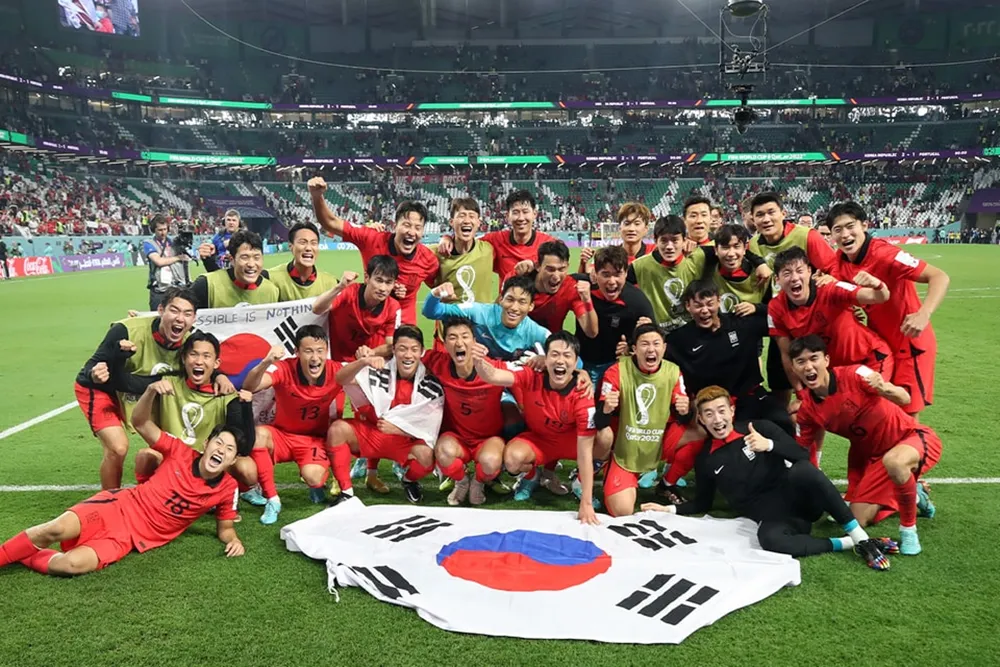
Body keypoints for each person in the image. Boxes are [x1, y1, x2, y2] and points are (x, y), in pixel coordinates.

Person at [0, 385, 247, 577]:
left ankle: (21, 554)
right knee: (54, 529)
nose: (221, 450)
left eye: (229, 450)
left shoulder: (227, 488)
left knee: (70, 565)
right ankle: (5, 555)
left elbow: (224, 528)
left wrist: (233, 540)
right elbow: (140, 422)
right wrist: (150, 392)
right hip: (117, 506)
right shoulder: (179, 451)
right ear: (206, 445)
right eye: (218, 443)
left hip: (129, 538)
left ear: (233, 460)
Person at [642, 386, 896, 570]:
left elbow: (800, 455)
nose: (717, 419)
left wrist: (770, 445)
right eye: (709, 414)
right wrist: (668, 509)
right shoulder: (706, 460)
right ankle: (847, 543)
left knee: (802, 470)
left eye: (721, 411)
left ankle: (860, 537)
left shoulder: (760, 428)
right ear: (701, 419)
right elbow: (702, 504)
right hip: (774, 518)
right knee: (770, 541)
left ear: (732, 411)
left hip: (801, 502)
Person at [789, 336, 942, 555]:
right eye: (801, 362)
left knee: (895, 462)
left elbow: (905, 398)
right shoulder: (807, 411)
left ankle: (909, 530)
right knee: (858, 517)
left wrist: (884, 388)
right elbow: (802, 451)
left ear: (827, 360)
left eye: (814, 358)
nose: (808, 366)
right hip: (870, 456)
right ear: (794, 368)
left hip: (909, 438)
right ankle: (913, 494)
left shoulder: (856, 374)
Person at [829, 201, 950, 416]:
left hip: (911, 344)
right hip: (879, 348)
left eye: (850, 226)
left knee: (905, 418)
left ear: (864, 225)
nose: (845, 234)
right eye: (838, 230)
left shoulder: (886, 255)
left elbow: (939, 276)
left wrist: (924, 314)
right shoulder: (839, 261)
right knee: (878, 415)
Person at [74, 287, 199, 489]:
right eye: (174, 310)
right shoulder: (126, 331)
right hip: (103, 390)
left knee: (168, 444)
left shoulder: (192, 342)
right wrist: (95, 374)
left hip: (140, 392)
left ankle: (157, 493)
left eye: (187, 313)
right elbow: (92, 367)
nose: (180, 319)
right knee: (118, 448)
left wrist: (220, 378)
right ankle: (109, 502)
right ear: (160, 310)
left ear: (194, 319)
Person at [472, 332, 600, 525]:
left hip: (569, 443)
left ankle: (580, 483)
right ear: (545, 359)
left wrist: (586, 503)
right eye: (554, 354)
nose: (560, 361)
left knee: (604, 439)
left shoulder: (583, 394)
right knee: (513, 460)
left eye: (567, 356)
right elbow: (494, 375)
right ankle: (533, 475)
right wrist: (478, 361)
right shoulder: (532, 376)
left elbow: (584, 453)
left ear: (576, 363)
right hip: (540, 440)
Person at [239, 326, 347, 523]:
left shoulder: (336, 370)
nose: (315, 358)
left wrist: (368, 359)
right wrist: (266, 362)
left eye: (320, 351)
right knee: (258, 437)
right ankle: (273, 500)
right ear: (297, 352)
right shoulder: (283, 368)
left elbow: (366, 382)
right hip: (282, 436)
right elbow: (249, 386)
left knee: (314, 477)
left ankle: (316, 485)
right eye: (308, 351)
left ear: (327, 351)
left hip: (314, 439)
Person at [327, 326, 444, 503]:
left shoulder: (430, 384)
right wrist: (363, 362)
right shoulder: (380, 370)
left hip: (404, 441)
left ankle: (409, 480)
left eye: (414, 349)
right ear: (394, 350)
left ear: (421, 351)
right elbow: (340, 379)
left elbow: (430, 428)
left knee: (427, 456)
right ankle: (346, 492)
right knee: (337, 429)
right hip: (373, 435)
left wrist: (399, 429)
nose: (408, 355)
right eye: (402, 349)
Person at [312, 258, 398, 490]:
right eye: (378, 280)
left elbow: (391, 346)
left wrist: (371, 353)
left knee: (373, 417)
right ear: (367, 277)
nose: (382, 287)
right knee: (333, 418)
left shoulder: (392, 307)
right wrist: (339, 286)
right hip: (335, 365)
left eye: (388, 282)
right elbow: (317, 308)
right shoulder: (349, 293)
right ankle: (333, 475)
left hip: (365, 366)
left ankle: (371, 474)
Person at [126, 331, 254, 486]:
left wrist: (246, 407)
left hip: (208, 460)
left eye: (206, 356)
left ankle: (227, 492)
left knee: (248, 469)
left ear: (216, 363)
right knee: (145, 456)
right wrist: (150, 389)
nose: (199, 361)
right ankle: (146, 494)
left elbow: (244, 445)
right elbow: (127, 384)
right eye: (194, 354)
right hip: (172, 456)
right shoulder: (166, 383)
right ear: (184, 358)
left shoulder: (226, 394)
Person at [768, 246, 894, 401]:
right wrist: (801, 393)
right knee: (823, 416)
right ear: (777, 280)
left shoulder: (830, 289)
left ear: (809, 272)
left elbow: (879, 297)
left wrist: (877, 285)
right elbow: (787, 355)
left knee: (869, 410)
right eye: (787, 273)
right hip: (833, 372)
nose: (794, 278)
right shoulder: (776, 308)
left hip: (869, 358)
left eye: (799, 270)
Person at [309, 176, 438, 325]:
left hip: (403, 332)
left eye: (418, 227)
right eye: (407, 225)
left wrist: (448, 239)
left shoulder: (428, 259)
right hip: (370, 325)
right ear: (394, 225)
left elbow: (442, 286)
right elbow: (330, 223)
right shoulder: (371, 238)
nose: (411, 232)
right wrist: (317, 196)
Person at [593, 324, 689, 517]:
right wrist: (606, 408)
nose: (651, 349)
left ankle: (667, 482)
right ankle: (608, 470)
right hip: (626, 451)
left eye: (656, 344)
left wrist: (684, 410)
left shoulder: (674, 372)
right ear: (634, 349)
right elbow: (599, 421)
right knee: (621, 511)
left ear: (664, 347)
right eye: (644, 344)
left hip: (658, 444)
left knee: (702, 430)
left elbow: (683, 417)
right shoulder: (616, 371)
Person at [669, 280, 792, 430]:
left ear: (719, 301)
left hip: (750, 397)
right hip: (712, 407)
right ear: (688, 306)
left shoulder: (741, 323)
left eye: (710, 304)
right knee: (736, 442)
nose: (705, 310)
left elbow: (782, 315)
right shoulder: (679, 340)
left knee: (786, 422)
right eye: (698, 305)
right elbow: (654, 354)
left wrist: (758, 308)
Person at [425, 317, 509, 506]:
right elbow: (406, 353)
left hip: (488, 439)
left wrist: (578, 371)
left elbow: (526, 372)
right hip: (456, 438)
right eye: (452, 337)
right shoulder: (438, 362)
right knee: (444, 453)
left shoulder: (493, 369)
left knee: (490, 462)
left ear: (475, 342)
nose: (459, 342)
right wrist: (374, 353)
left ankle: (478, 482)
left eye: (465, 336)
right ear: (445, 344)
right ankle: (462, 481)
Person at [437, 189, 556, 289]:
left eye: (525, 212)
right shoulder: (495, 240)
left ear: (535, 214)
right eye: (515, 212)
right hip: (507, 311)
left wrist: (535, 265)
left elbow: (561, 265)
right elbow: (469, 241)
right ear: (507, 216)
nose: (521, 218)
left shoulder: (549, 243)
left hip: (539, 312)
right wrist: (447, 238)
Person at [573, 245, 655, 387]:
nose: (611, 281)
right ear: (595, 273)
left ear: (626, 273)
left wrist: (631, 346)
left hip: (615, 366)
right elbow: (551, 282)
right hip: (581, 362)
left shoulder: (636, 301)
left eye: (617, 274)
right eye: (605, 274)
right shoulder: (582, 287)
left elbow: (655, 337)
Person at [428, 198, 496, 350]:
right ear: (452, 222)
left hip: (481, 334)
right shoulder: (435, 253)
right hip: (447, 334)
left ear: (479, 222)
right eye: (461, 215)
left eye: (471, 216)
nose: (466, 220)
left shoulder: (489, 249)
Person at [628, 215, 709, 333]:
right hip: (658, 339)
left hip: (694, 333)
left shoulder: (698, 258)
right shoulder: (639, 266)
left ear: (684, 240)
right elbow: (618, 287)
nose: (669, 247)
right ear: (655, 241)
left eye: (675, 240)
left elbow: (726, 248)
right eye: (664, 240)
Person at [748, 192, 839, 277]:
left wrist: (827, 280)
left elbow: (834, 268)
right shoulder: (752, 245)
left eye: (771, 212)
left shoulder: (808, 236)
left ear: (783, 214)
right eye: (760, 215)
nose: (766, 219)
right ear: (753, 220)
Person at [189, 230, 279, 309]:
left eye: (256, 257)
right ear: (232, 260)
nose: (251, 264)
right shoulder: (206, 285)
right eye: (244, 257)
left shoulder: (272, 291)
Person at [524, 240, 598, 336]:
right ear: (538, 266)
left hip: (551, 347)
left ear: (567, 267)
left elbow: (591, 332)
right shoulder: (521, 282)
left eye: (561, 269)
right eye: (550, 269)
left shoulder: (570, 288)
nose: (556, 276)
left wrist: (587, 300)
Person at [705, 224, 771, 315]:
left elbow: (779, 308)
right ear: (716, 250)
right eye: (725, 247)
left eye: (736, 247)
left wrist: (756, 308)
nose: (731, 253)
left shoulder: (762, 275)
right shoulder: (708, 268)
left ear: (744, 249)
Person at [268, 222, 340, 302]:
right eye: (303, 242)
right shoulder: (269, 278)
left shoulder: (332, 284)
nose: (308, 248)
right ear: (290, 246)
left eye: (313, 243)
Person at [578, 202, 653, 272]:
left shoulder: (655, 253)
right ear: (620, 228)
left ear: (646, 229)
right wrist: (583, 263)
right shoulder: (608, 254)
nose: (631, 229)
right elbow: (590, 277)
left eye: (637, 224)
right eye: (627, 223)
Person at [143, 214, 190, 310]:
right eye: (160, 230)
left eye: (165, 229)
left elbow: (186, 258)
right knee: (157, 316)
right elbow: (158, 261)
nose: (163, 232)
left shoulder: (174, 242)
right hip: (159, 288)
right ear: (153, 230)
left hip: (174, 286)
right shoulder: (148, 243)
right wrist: (178, 258)